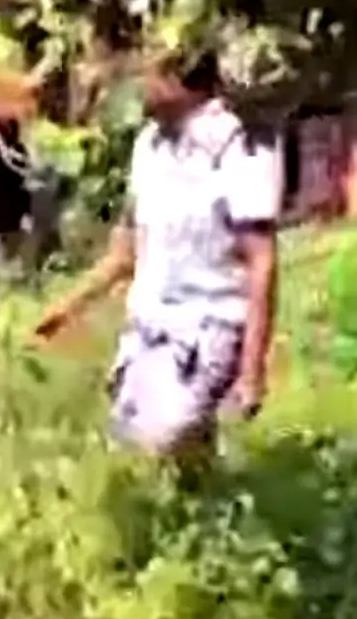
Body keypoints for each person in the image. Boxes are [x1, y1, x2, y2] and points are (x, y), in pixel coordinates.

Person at [34, 47, 280, 461]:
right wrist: (65, 310)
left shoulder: (242, 147)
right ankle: (206, 513)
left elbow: (261, 260)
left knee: (158, 446)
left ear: (178, 77)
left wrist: (253, 370)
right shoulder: (149, 144)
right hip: (148, 327)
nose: (135, 86)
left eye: (146, 74)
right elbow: (125, 251)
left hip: (207, 330)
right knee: (140, 451)